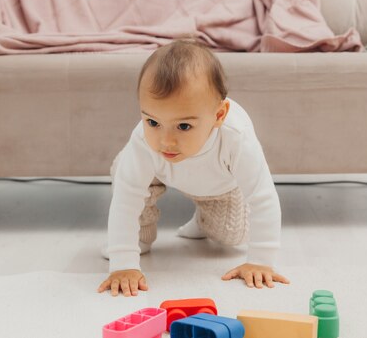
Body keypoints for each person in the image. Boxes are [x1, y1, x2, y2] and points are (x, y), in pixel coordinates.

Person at [97, 40, 288, 297]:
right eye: (152, 121)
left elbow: (263, 197)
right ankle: (143, 235)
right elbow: (126, 199)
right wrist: (123, 263)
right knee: (125, 168)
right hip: (160, 174)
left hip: (219, 186)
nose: (165, 141)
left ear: (219, 116)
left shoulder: (236, 137)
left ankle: (204, 219)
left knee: (232, 237)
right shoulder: (145, 141)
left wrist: (261, 260)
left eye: (184, 126)